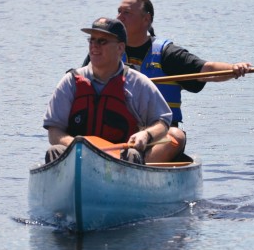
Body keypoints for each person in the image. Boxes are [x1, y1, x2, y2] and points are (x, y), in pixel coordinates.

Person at [83, 0, 251, 162]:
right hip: (113, 130)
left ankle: (139, 168)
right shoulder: (106, 51)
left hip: (158, 136)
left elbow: (207, 69)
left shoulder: (167, 54)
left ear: (146, 20)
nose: (119, 17)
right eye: (118, 12)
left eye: (126, 13)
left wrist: (233, 68)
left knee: (176, 136)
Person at [43, 17, 173, 165]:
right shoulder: (70, 81)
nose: (94, 46)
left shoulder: (139, 83)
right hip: (78, 157)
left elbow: (162, 122)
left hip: (121, 158)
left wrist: (146, 134)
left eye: (102, 41)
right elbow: (54, 131)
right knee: (54, 151)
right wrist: (76, 146)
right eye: (92, 40)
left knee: (132, 154)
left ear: (120, 48)